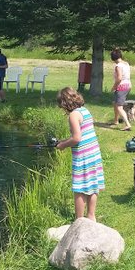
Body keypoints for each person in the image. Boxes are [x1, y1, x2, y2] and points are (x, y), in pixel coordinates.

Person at [55, 86, 105, 221]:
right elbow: (82, 134)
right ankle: (91, 216)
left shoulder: (73, 115)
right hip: (94, 153)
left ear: (65, 103)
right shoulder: (84, 111)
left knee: (79, 189)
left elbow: (77, 138)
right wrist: (64, 140)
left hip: (83, 156)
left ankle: (79, 220)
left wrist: (63, 145)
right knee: (92, 185)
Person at [110, 47, 132, 131]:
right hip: (128, 85)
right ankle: (116, 121)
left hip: (121, 87)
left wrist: (114, 87)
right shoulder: (126, 63)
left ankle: (127, 124)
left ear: (113, 58)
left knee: (119, 107)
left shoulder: (118, 66)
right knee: (116, 103)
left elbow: (119, 78)